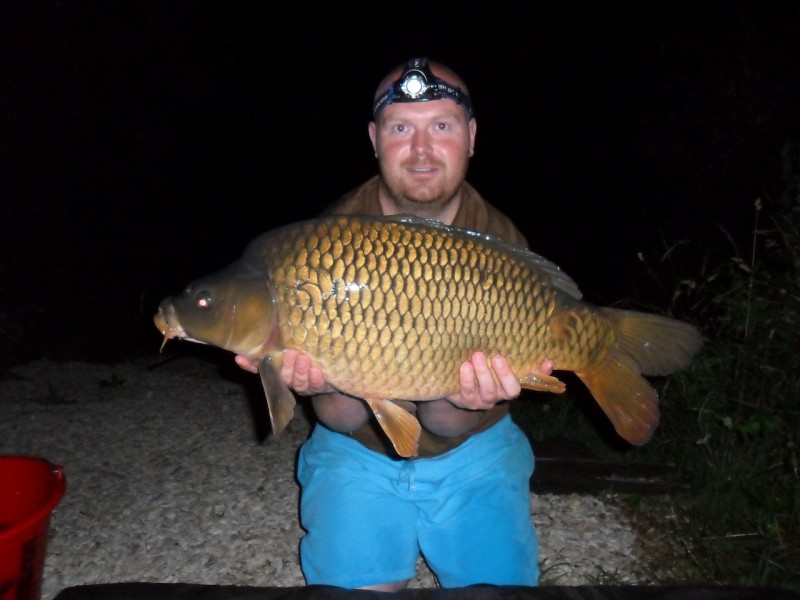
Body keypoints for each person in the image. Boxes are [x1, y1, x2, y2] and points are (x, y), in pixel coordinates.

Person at [236, 57, 552, 591]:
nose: (422, 150)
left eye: (442, 127)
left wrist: (481, 396)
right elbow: (338, 416)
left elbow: (451, 423)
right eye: (401, 128)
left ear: (471, 136)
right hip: (358, 453)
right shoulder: (328, 238)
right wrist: (309, 380)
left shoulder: (500, 242)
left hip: (472, 454)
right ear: (374, 139)